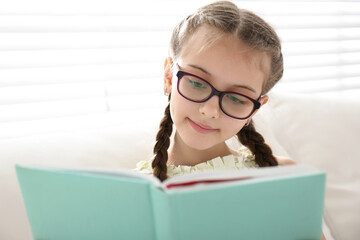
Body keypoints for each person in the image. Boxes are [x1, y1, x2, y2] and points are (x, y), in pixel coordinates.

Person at [134, 2, 326, 238]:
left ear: (254, 109)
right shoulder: (134, 193)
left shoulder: (281, 176)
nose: (210, 110)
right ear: (168, 77)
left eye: (237, 98)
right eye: (196, 83)